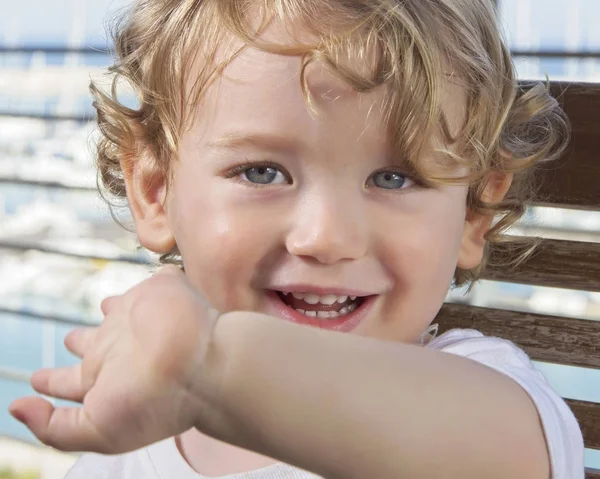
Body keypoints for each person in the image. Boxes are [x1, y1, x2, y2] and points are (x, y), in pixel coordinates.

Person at [8, 0, 584, 477]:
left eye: (394, 178)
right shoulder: (130, 442)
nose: (327, 237)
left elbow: (498, 453)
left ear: (472, 218)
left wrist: (212, 364)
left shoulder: (480, 395)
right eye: (262, 172)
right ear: (156, 192)